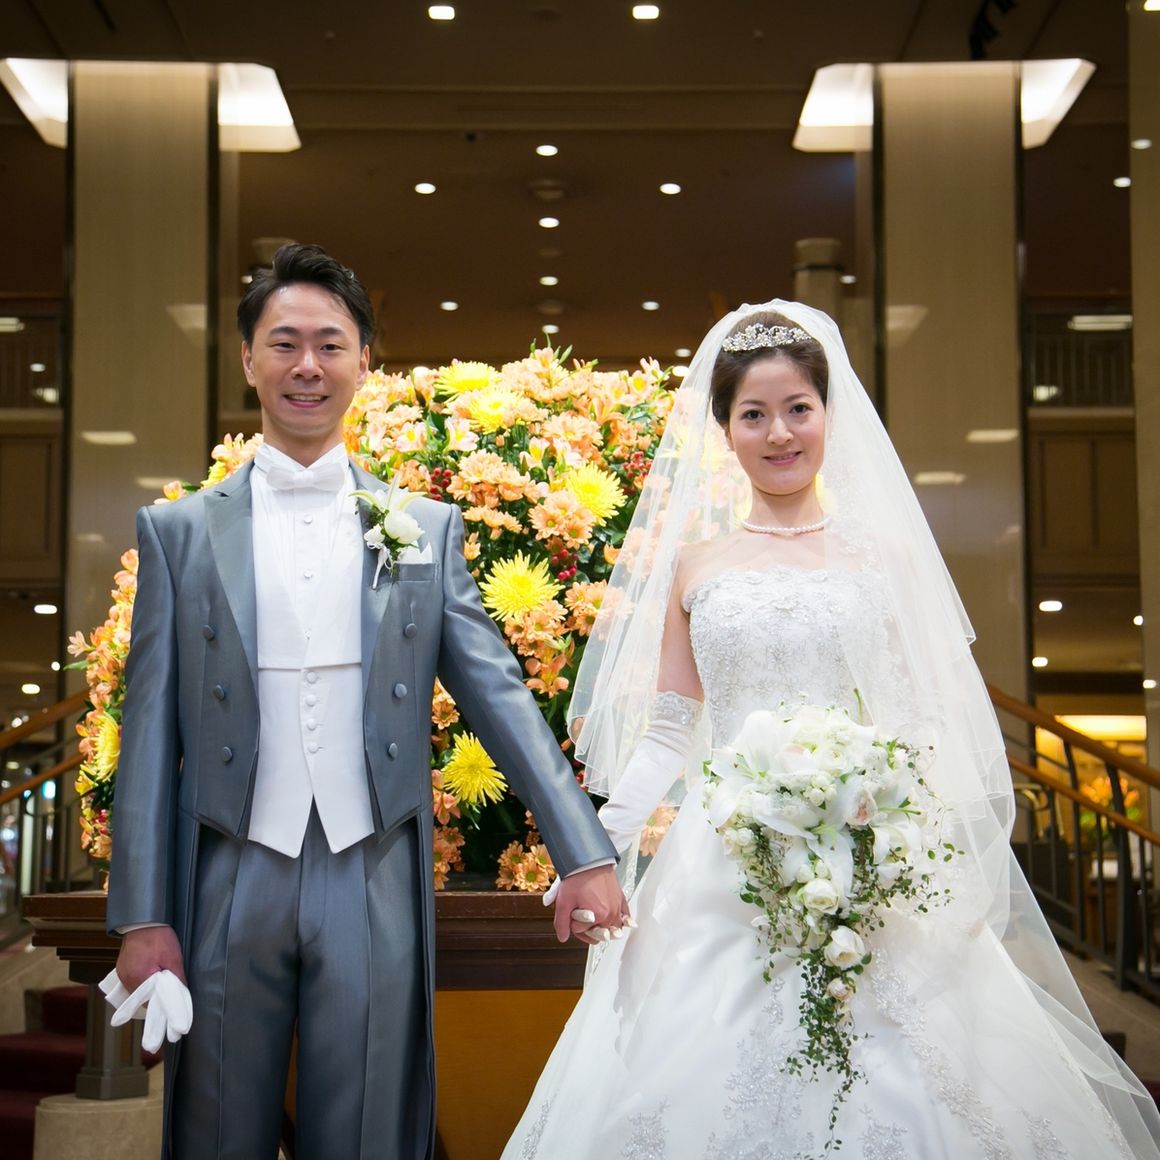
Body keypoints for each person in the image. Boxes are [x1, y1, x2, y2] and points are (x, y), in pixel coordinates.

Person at [504, 300, 1160, 1158]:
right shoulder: (696, 566)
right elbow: (668, 732)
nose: (779, 432)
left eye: (797, 408)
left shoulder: (882, 560)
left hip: (867, 855)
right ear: (724, 430)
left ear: (827, 415)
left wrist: (937, 867)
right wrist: (591, 852)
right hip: (724, 862)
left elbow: (921, 728)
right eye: (753, 414)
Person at [105, 242, 628, 1160]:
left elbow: (498, 694)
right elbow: (147, 729)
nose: (307, 365)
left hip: (372, 861)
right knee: (215, 1127)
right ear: (248, 359)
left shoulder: (423, 528)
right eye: (284, 343)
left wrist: (582, 852)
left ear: (364, 362)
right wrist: (144, 917)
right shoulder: (178, 532)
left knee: (369, 1133)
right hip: (228, 865)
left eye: (330, 344)